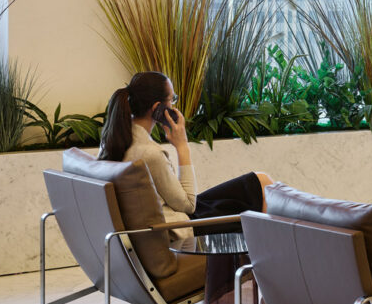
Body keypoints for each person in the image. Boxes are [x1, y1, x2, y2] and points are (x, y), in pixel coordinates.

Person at [98, 71, 272, 239]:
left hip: (169, 214)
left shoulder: (113, 142)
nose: (174, 105)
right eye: (172, 99)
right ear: (158, 108)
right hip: (178, 225)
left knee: (259, 181)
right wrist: (182, 147)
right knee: (260, 190)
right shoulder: (150, 154)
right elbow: (189, 205)